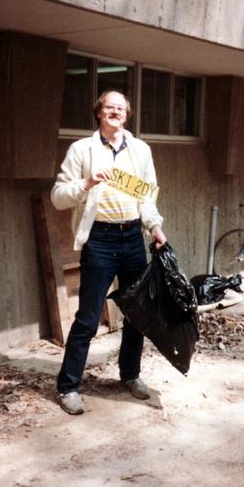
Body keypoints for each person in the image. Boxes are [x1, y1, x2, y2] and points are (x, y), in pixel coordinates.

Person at [51, 90, 166, 415]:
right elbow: (58, 197)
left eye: (120, 108)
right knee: (88, 318)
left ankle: (130, 375)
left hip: (132, 238)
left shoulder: (140, 150)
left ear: (127, 114)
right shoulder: (81, 150)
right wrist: (86, 183)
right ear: (99, 112)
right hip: (99, 240)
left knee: (136, 315)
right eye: (109, 107)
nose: (115, 112)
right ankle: (68, 387)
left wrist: (155, 227)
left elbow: (147, 197)